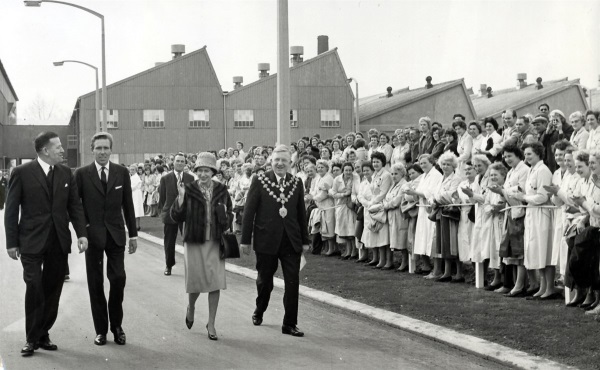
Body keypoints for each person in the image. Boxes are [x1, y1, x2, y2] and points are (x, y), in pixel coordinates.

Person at [4, 131, 88, 356]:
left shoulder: (65, 173)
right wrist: (11, 243)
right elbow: (11, 210)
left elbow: (74, 206)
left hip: (58, 241)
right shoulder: (21, 173)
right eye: (58, 146)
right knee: (34, 286)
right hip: (30, 241)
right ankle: (31, 338)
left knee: (53, 290)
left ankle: (43, 334)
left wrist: (81, 233)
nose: (62, 150)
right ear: (44, 151)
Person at [74, 132, 137, 346]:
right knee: (95, 283)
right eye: (98, 148)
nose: (102, 152)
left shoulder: (121, 173)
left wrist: (133, 234)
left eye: (106, 148)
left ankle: (117, 326)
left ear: (111, 150)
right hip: (92, 237)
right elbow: (75, 207)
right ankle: (101, 330)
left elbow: (128, 205)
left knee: (118, 279)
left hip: (116, 235)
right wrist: (82, 232)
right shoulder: (82, 174)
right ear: (92, 149)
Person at [241, 145, 310, 337]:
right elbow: (249, 212)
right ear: (271, 161)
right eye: (276, 160)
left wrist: (305, 239)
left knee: (292, 283)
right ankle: (259, 309)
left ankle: (289, 323)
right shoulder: (259, 180)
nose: (280, 164)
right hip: (266, 240)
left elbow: (301, 214)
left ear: (290, 163)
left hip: (291, 241)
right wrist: (245, 240)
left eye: (284, 161)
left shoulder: (297, 182)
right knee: (265, 282)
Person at [170, 152, 232, 341]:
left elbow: (229, 216)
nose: (203, 174)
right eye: (200, 171)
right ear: (196, 171)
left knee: (216, 283)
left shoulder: (222, 190)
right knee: (195, 282)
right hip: (194, 241)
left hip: (214, 241)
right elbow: (176, 217)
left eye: (207, 170)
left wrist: (224, 216)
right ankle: (192, 307)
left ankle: (211, 323)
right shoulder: (188, 189)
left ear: (213, 171)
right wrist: (180, 200)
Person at [158, 153, 194, 276]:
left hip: (186, 215)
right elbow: (162, 198)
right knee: (169, 242)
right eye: (177, 161)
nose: (179, 163)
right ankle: (169, 265)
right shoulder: (165, 178)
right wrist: (167, 210)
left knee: (189, 241)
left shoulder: (190, 178)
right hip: (170, 214)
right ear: (173, 163)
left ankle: (191, 266)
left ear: (185, 163)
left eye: (182, 161)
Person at [362, 152, 393, 269]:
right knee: (378, 235)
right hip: (374, 207)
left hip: (381, 207)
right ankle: (381, 260)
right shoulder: (375, 174)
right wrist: (371, 203)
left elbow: (383, 193)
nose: (375, 164)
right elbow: (373, 192)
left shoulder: (386, 175)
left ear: (382, 162)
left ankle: (388, 261)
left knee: (385, 236)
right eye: (373, 162)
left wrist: (372, 203)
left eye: (377, 162)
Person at [384, 163, 409, 270]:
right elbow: (386, 198)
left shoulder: (404, 185)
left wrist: (386, 205)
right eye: (392, 174)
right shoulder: (392, 185)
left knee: (402, 238)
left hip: (399, 214)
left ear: (402, 174)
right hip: (391, 214)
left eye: (396, 174)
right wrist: (386, 204)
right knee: (393, 238)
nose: (393, 176)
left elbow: (396, 201)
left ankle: (405, 263)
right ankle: (390, 262)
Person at [128, 164, 144, 231]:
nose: (131, 171)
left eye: (133, 170)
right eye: (130, 170)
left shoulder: (136, 177)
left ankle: (137, 225)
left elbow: (133, 187)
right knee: (134, 210)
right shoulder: (132, 177)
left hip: (136, 194)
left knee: (137, 210)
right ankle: (135, 225)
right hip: (133, 194)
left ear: (136, 170)